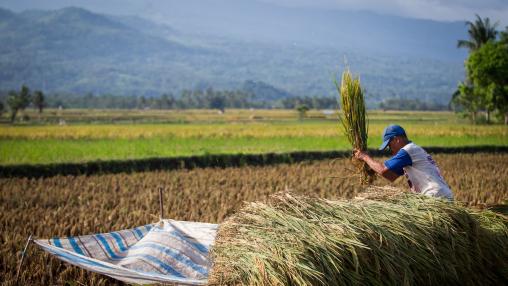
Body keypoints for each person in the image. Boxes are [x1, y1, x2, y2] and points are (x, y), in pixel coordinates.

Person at [354, 124, 453, 200]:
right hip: (442, 195)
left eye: (389, 145)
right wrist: (371, 169)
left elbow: (384, 170)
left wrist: (365, 157)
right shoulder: (413, 150)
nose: (390, 149)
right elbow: (391, 176)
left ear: (396, 140)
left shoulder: (407, 151)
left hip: (434, 196)